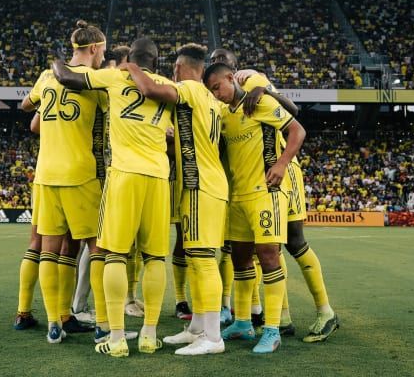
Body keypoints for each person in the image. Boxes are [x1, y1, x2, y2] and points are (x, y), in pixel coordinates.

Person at [53, 37, 173, 357]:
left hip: (124, 175)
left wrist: (53, 59)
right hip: (159, 177)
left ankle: (117, 336)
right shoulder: (168, 85)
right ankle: (149, 334)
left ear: (129, 59)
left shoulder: (115, 76)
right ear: (156, 62)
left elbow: (67, 77)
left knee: (114, 256)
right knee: (155, 258)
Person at [212, 48, 340, 343]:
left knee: (290, 242)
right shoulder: (225, 103)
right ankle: (280, 318)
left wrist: (263, 89)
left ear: (234, 70)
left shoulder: (252, 78)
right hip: (252, 179)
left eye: (225, 65)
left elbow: (293, 113)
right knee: (262, 249)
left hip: (283, 170)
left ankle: (324, 311)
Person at [123, 43, 229, 355]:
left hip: (201, 186)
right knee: (197, 260)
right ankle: (197, 327)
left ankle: (213, 338)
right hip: (206, 183)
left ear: (181, 69)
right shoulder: (210, 100)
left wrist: (130, 66)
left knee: (203, 260)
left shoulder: (191, 89)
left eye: (175, 69)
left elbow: (150, 89)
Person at [203, 61, 304, 354]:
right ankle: (244, 321)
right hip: (238, 196)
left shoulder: (257, 103)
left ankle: (272, 329)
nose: (217, 94)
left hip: (266, 191)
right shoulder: (224, 115)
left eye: (217, 87)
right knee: (240, 259)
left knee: (269, 255)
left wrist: (282, 163)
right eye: (211, 91)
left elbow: (297, 130)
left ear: (230, 79)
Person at [19, 20, 108, 344]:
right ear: (95, 48)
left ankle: (54, 323)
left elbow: (26, 106)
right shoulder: (94, 79)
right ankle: (102, 323)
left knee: (49, 251)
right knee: (97, 247)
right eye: (103, 51)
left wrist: (45, 103)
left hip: (45, 175)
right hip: (79, 175)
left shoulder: (46, 78)